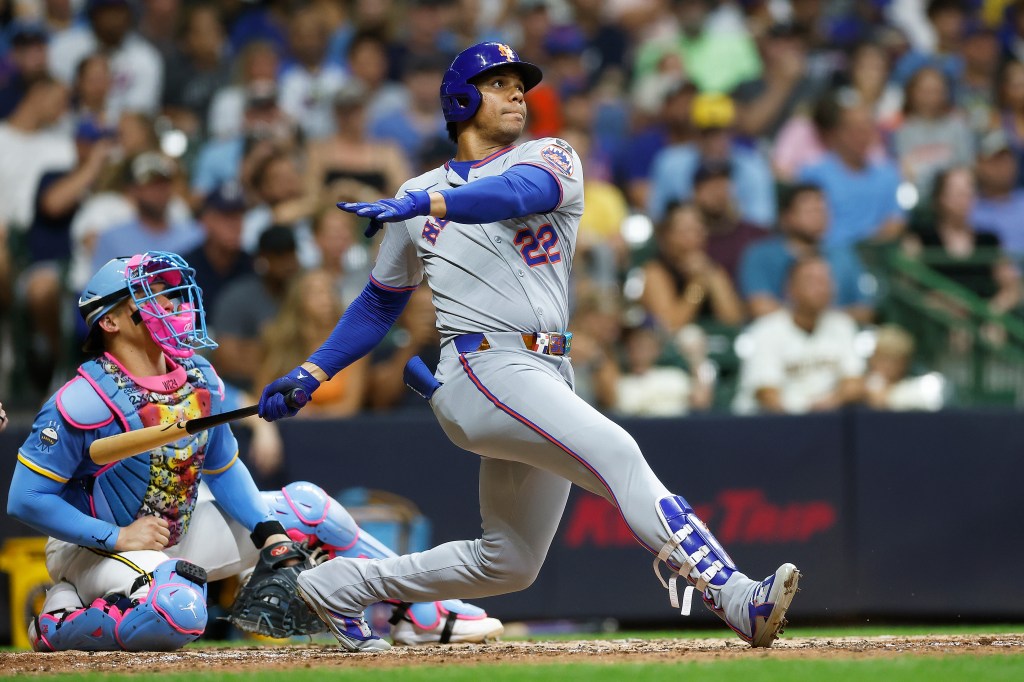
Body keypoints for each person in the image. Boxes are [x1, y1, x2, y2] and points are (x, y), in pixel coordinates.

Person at [257, 42, 800, 652]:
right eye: (499, 83)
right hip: (481, 365)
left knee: (509, 563)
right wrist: (310, 371)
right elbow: (380, 302)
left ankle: (341, 585)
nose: (519, 93)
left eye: (521, 84)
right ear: (461, 100)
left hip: (544, 369)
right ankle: (732, 596)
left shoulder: (550, 155)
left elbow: (515, 195)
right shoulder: (417, 194)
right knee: (619, 453)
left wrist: (425, 202)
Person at [5, 251, 502, 651]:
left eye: (173, 295)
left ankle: (419, 614)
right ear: (111, 320)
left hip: (176, 529)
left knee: (309, 508)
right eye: (154, 296)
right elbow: (26, 499)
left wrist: (269, 535)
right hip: (95, 548)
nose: (174, 306)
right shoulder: (81, 399)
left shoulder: (197, 375)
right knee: (179, 612)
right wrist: (117, 536)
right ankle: (60, 618)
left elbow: (223, 469)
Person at [733, 256, 865, 415]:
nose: (821, 287)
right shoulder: (765, 330)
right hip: (770, 426)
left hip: (827, 421)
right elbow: (767, 395)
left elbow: (854, 384)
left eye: (825, 280)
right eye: (812, 281)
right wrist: (809, 411)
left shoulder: (843, 325)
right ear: (791, 289)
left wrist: (829, 405)